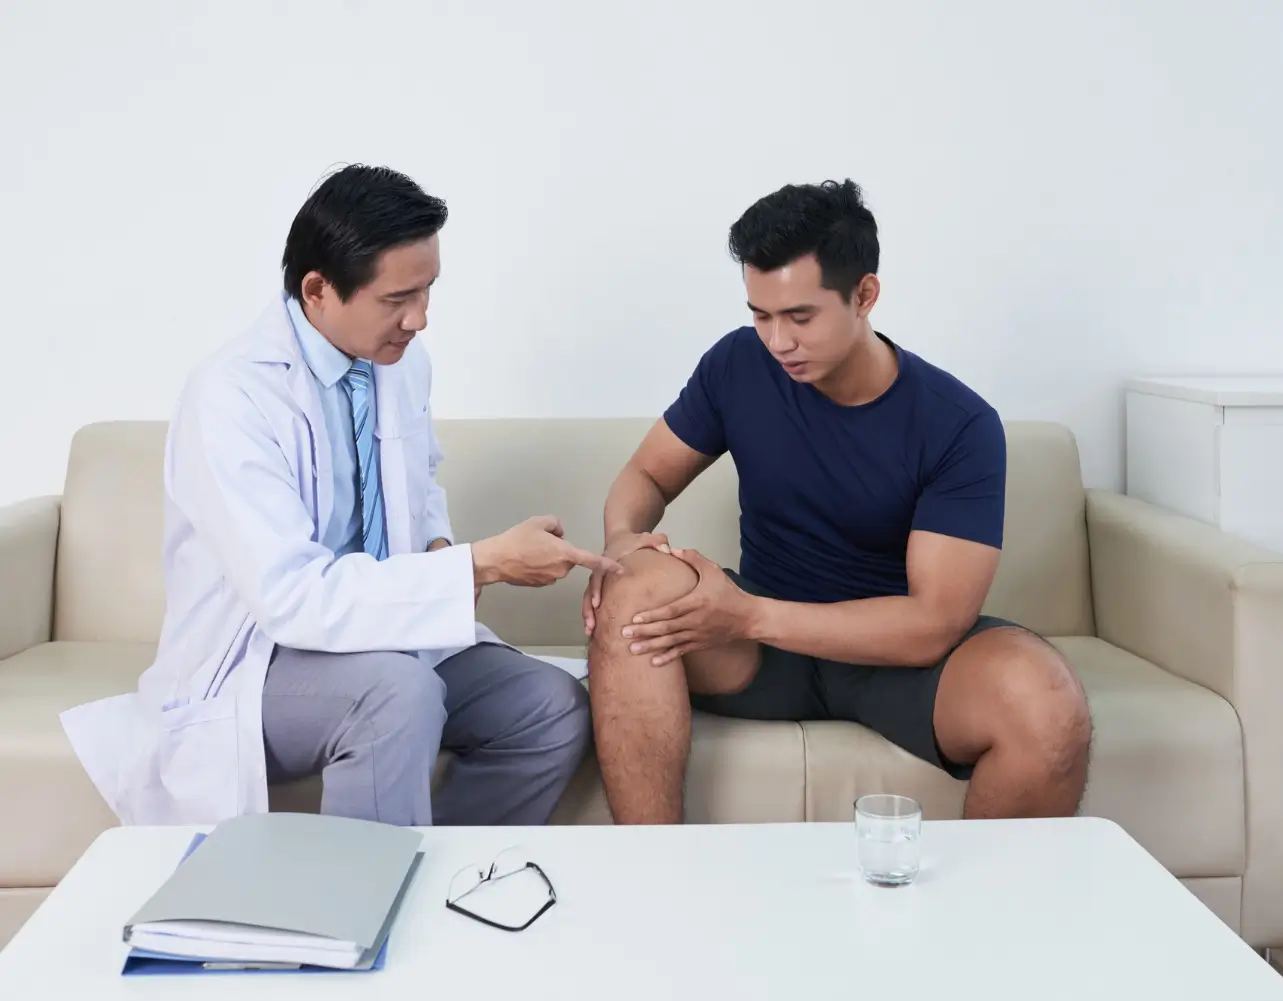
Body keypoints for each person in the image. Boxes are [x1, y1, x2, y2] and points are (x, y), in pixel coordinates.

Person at [62, 165, 619, 827]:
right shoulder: (230, 397)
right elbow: (291, 599)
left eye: (429, 289)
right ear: (318, 289)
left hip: (389, 635)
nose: (420, 318)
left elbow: (421, 477)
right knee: (396, 694)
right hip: (266, 661)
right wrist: (477, 563)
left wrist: (438, 543)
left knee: (549, 706)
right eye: (397, 298)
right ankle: (362, 910)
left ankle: (446, 881)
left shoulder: (401, 362)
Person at [582, 179, 1092, 825]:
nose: (778, 341)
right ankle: (651, 876)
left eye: (800, 316)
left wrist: (748, 615)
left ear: (865, 294)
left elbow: (934, 622)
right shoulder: (738, 364)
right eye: (760, 315)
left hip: (893, 657)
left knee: (1046, 698)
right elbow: (646, 477)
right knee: (633, 585)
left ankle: (981, 921)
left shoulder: (957, 422)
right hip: (757, 658)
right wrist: (624, 537)